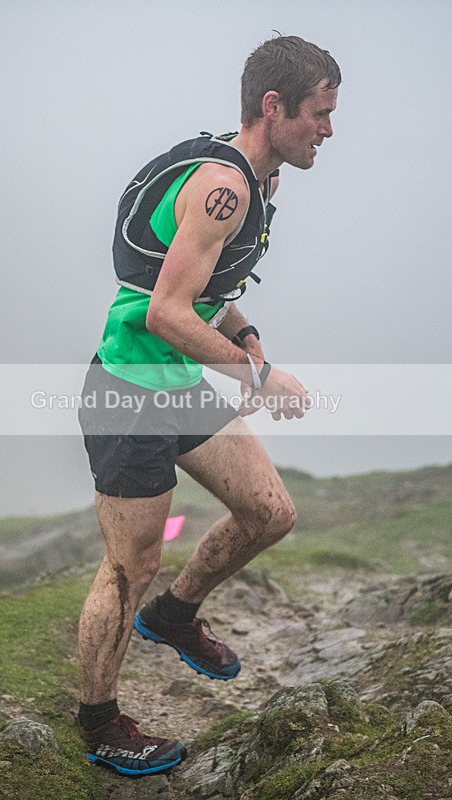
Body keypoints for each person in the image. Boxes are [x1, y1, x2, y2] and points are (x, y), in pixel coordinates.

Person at [76, 34, 341, 777]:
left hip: (179, 385)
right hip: (127, 389)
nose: (328, 129)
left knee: (269, 512)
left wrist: (245, 333)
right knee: (130, 564)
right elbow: (165, 312)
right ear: (273, 106)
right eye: (319, 113)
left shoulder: (263, 182)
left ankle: (173, 616)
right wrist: (260, 378)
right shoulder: (222, 187)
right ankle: (99, 723)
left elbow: (207, 293)